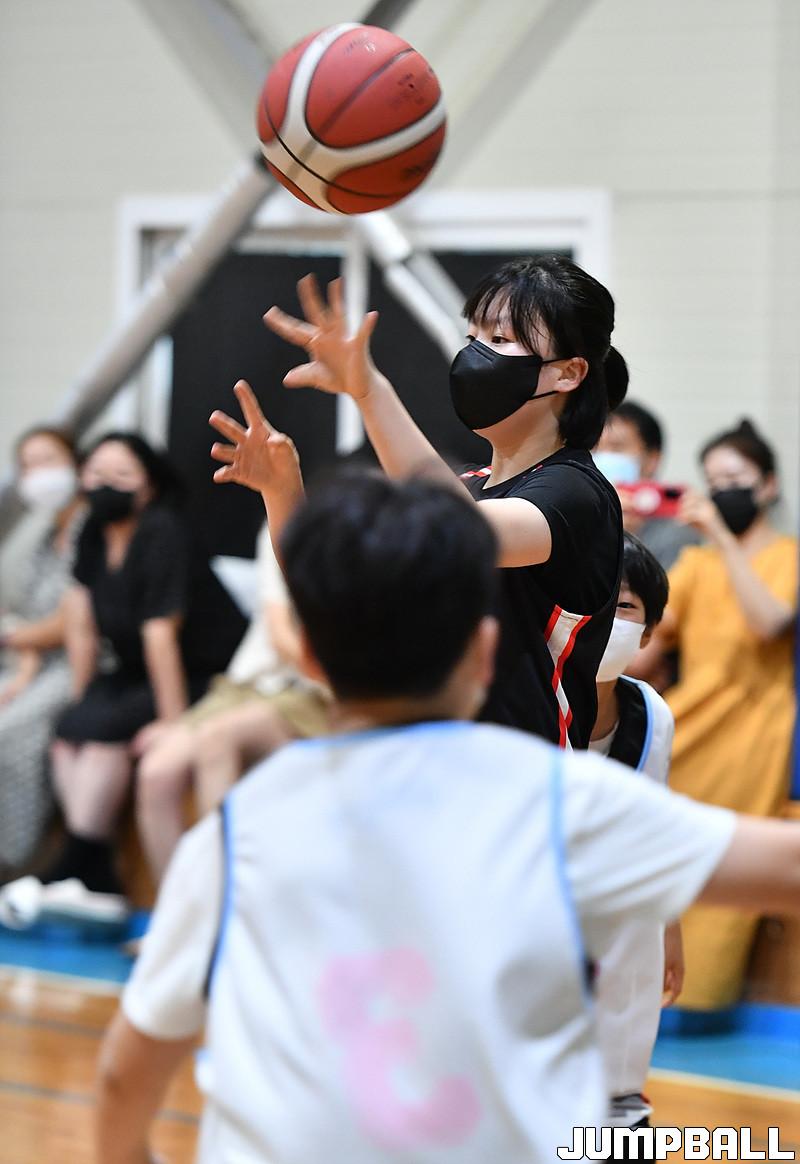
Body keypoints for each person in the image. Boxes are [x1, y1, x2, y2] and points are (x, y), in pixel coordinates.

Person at [97, 470, 800, 1164]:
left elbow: (125, 1076)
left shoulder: (236, 828)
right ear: (485, 651)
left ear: (307, 654)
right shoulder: (562, 803)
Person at [211, 255, 627, 751]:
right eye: (472, 337)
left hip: (523, 770)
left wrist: (369, 389)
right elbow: (329, 576)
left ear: (568, 373)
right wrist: (281, 490)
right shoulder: (467, 486)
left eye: (499, 339)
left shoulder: (577, 493)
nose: (475, 355)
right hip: (420, 753)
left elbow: (460, 529)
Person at [0, 433, 245, 928]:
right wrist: (83, 698)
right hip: (134, 671)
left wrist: (174, 723)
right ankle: (90, 865)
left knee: (106, 732)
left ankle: (82, 861)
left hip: (202, 669)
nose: (105, 484)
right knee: (70, 730)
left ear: (148, 485)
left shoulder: (163, 531)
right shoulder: (93, 532)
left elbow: (160, 635)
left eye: (121, 475)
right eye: (96, 474)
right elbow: (81, 623)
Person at [629, 419, 797, 1010]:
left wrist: (722, 538)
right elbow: (646, 640)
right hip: (691, 728)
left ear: (769, 485)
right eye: (713, 481)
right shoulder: (695, 565)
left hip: (755, 736)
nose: (723, 491)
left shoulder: (788, 556)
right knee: (666, 854)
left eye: (736, 479)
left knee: (727, 874)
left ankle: (701, 1006)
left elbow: (769, 622)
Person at [135, 523, 330, 882]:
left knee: (218, 739)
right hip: (246, 681)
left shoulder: (355, 532)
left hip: (312, 690)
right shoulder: (277, 526)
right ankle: (177, 905)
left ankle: (222, 897)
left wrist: (338, 674)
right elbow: (277, 625)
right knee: (156, 770)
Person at [589, 532, 681, 1153]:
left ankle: (621, 1109)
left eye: (623, 607)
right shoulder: (526, 698)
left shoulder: (652, 714)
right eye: (592, 600)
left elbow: (655, 832)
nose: (606, 618)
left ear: (648, 634)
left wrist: (670, 925)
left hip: (614, 912)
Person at [0, 427, 84, 874]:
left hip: (79, 661)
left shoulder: (90, 529)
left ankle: (12, 862)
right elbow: (27, 617)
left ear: (75, 462)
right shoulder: (44, 537)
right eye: (29, 466)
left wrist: (11, 638)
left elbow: (69, 623)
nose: (39, 474)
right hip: (34, 660)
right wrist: (21, 674)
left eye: (48, 460)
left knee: (9, 732)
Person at [593, 400, 702, 570]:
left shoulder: (677, 530)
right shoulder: (575, 514)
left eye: (616, 447)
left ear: (652, 459)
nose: (602, 456)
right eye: (594, 447)